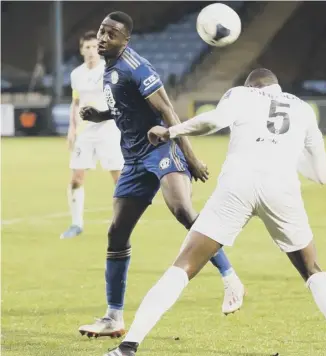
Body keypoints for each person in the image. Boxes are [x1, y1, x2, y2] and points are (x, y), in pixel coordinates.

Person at [105, 69, 326, 356]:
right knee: (312, 270)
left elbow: (213, 121)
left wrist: (170, 131)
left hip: (237, 187)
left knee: (183, 266)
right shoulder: (303, 109)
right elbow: (322, 175)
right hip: (281, 189)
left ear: (252, 85)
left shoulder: (242, 94)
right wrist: (287, 155)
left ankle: (128, 346)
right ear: (277, 87)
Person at [78, 12, 245, 338]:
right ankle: (113, 317)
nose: (103, 38)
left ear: (126, 40)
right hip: (134, 159)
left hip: (161, 149)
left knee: (183, 210)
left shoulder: (137, 68)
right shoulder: (110, 68)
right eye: (101, 31)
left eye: (111, 35)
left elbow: (167, 111)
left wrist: (191, 157)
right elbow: (123, 106)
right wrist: (98, 114)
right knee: (116, 233)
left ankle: (230, 278)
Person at [60, 31, 124, 239]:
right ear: (81, 50)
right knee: (76, 178)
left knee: (118, 177)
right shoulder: (76, 74)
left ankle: (124, 220)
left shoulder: (109, 71)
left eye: (94, 47)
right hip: (85, 132)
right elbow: (76, 102)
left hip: (108, 129)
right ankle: (76, 224)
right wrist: (72, 129)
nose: (90, 51)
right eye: (86, 47)